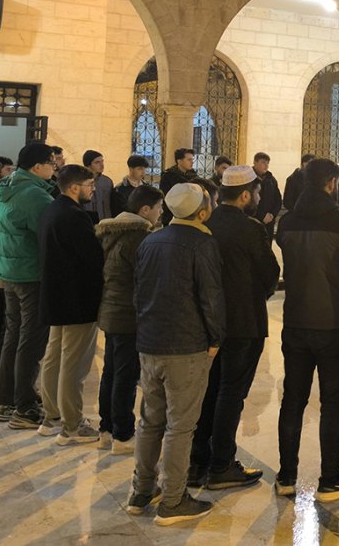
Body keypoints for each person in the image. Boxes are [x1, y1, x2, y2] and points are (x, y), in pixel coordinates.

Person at [128, 182, 224, 525]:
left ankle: (141, 491)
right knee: (181, 427)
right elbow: (210, 296)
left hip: (150, 343)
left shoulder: (150, 239)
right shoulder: (202, 242)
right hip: (186, 346)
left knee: (150, 421)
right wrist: (216, 337)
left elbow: (138, 291)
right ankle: (172, 500)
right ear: (201, 211)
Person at [275, 158, 339, 501]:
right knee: (332, 401)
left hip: (295, 320)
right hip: (333, 323)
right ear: (331, 183)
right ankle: (330, 478)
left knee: (293, 400)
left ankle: (286, 477)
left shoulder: (286, 224)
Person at [190, 165, 280, 491]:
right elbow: (270, 273)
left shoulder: (205, 224)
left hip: (207, 324)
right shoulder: (251, 228)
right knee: (232, 393)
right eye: (255, 192)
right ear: (244, 195)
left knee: (209, 390)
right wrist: (258, 295)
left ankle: (196, 461)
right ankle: (221, 464)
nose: (257, 197)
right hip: (243, 323)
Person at [37, 164, 105, 444]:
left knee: (55, 357)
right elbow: (92, 260)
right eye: (90, 185)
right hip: (77, 299)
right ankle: (72, 425)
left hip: (55, 295)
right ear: (75, 187)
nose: (93, 190)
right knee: (73, 364)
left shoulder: (52, 209)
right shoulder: (75, 216)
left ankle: (51, 416)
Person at [0, 142, 56, 428]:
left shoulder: (8, 186)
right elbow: (50, 235)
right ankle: (24, 409)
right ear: (38, 167)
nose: (55, 168)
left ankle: (6, 399)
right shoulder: (34, 196)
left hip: (10, 271)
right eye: (52, 163)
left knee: (14, 336)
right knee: (31, 340)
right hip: (30, 274)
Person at [96, 185, 163, 453]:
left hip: (112, 310)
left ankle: (107, 429)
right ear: (144, 209)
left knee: (111, 372)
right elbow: (145, 279)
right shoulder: (138, 237)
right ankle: (123, 435)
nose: (160, 214)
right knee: (125, 375)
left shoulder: (112, 231)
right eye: (158, 208)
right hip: (128, 314)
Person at [159, 148, 199, 225]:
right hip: (171, 215)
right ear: (179, 161)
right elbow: (165, 196)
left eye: (192, 159)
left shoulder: (193, 175)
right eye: (189, 160)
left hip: (190, 214)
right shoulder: (168, 176)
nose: (192, 162)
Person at [252, 152, 282, 234]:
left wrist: (272, 214)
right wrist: (261, 216)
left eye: (267, 163)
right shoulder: (248, 178)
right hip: (253, 220)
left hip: (269, 221)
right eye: (263, 162)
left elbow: (278, 199)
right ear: (255, 162)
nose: (266, 165)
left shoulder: (271, 180)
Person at [80, 150, 114, 222]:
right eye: (97, 162)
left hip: (106, 222)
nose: (102, 165)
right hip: (87, 221)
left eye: (102, 161)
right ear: (88, 165)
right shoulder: (80, 181)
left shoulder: (107, 182)